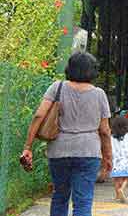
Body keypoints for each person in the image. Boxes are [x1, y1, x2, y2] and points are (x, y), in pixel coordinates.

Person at [21, 52, 112, 216]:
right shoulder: (99, 94)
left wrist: (28, 146)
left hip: (59, 150)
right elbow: (105, 131)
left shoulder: (57, 87)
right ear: (92, 71)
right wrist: (108, 157)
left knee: (60, 196)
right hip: (88, 151)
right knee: (83, 201)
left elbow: (39, 116)